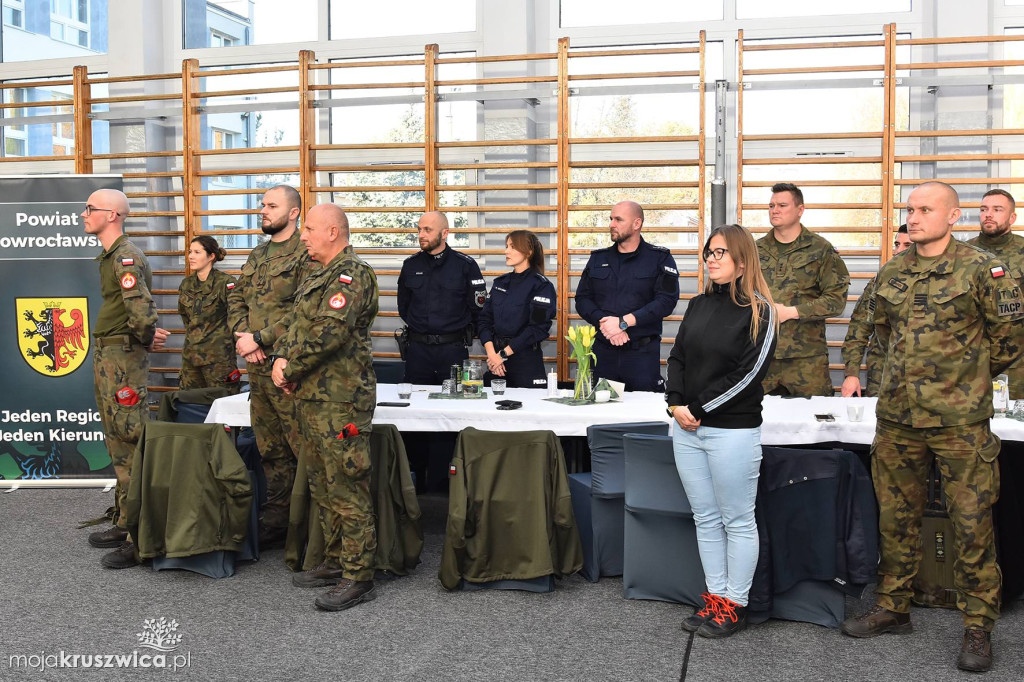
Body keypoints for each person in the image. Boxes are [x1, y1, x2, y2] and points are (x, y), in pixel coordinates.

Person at [840, 181, 1024, 673]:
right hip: (899, 419)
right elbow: (878, 329)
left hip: (960, 422)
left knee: (972, 524)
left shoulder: (983, 269)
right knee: (895, 519)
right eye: (910, 209)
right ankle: (894, 606)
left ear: (953, 217)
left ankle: (978, 626)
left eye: (925, 209)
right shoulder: (893, 270)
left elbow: (1009, 338)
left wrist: (966, 379)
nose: (914, 217)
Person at [665, 224, 778, 639]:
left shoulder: (761, 311)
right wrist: (675, 404)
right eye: (708, 253)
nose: (711, 259)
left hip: (731, 431)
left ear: (743, 261)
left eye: (720, 253)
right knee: (706, 518)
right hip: (687, 429)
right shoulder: (697, 305)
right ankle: (715, 597)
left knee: (736, 520)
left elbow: (748, 375)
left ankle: (735, 603)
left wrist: (696, 407)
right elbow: (676, 357)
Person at [271, 204, 379, 612]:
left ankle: (358, 574)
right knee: (322, 484)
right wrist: (281, 358)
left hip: (341, 401)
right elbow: (295, 326)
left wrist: (289, 366)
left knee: (347, 485)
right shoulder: (318, 275)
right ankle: (335, 560)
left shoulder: (353, 274)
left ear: (333, 231)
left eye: (310, 229)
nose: (302, 235)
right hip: (311, 397)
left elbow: (329, 333)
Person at [82, 188, 169, 568]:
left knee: (133, 444)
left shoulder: (126, 256)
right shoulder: (110, 256)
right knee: (118, 443)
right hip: (110, 355)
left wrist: (147, 336)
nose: (84, 213)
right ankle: (125, 519)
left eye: (90, 209)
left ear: (112, 215)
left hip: (123, 360)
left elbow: (142, 308)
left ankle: (141, 537)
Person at [228, 184, 317, 548]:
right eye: (262, 204)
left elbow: (304, 313)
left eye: (271, 205)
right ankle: (277, 522)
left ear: (294, 213)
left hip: (288, 370)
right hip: (257, 369)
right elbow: (236, 294)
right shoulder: (259, 253)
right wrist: (243, 336)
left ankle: (309, 528)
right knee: (271, 451)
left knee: (303, 450)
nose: (262, 210)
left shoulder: (305, 254)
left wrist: (261, 339)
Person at [574, 200, 679, 392]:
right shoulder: (598, 258)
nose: (611, 224)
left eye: (618, 219)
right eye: (611, 219)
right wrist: (605, 324)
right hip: (604, 353)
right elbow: (582, 299)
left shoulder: (659, 258)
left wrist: (623, 323)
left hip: (642, 356)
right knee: (603, 413)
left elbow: (666, 301)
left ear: (637, 223)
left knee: (644, 416)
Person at [757, 182, 850, 397]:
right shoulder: (754, 249)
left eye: (782, 205)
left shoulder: (821, 249)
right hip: (762, 355)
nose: (775, 210)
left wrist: (792, 312)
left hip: (806, 359)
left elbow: (836, 301)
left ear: (800, 210)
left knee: (815, 421)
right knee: (756, 422)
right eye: (771, 206)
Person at [397, 211, 487, 385]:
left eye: (427, 230)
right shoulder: (410, 265)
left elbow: (478, 309)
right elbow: (404, 307)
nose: (421, 235)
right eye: (419, 229)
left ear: (445, 233)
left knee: (456, 404)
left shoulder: (465, 266)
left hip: (452, 350)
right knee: (416, 404)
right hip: (418, 351)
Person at [478, 230, 556, 388]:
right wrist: (492, 355)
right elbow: (484, 320)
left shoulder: (541, 286)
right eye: (506, 246)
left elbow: (537, 329)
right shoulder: (500, 283)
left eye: (512, 247)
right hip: (496, 363)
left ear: (529, 251)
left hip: (525, 361)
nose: (506, 251)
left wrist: (502, 354)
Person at [840, 225, 912, 397]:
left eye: (907, 245)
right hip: (883, 378)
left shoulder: (941, 282)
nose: (897, 251)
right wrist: (852, 374)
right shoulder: (881, 282)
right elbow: (859, 328)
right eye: (897, 244)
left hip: (929, 381)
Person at [968, 189, 1024, 399]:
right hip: (970, 360)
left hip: (1016, 363)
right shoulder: (964, 252)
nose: (988, 214)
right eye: (984, 209)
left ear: (1012, 217)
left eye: (997, 209)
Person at [177, 235, 240, 392]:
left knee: (223, 404)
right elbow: (186, 318)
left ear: (211, 256)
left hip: (219, 359)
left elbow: (237, 317)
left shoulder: (226, 283)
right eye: (190, 251)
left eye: (197, 252)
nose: (191, 256)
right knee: (190, 405)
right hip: (191, 358)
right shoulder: (186, 284)